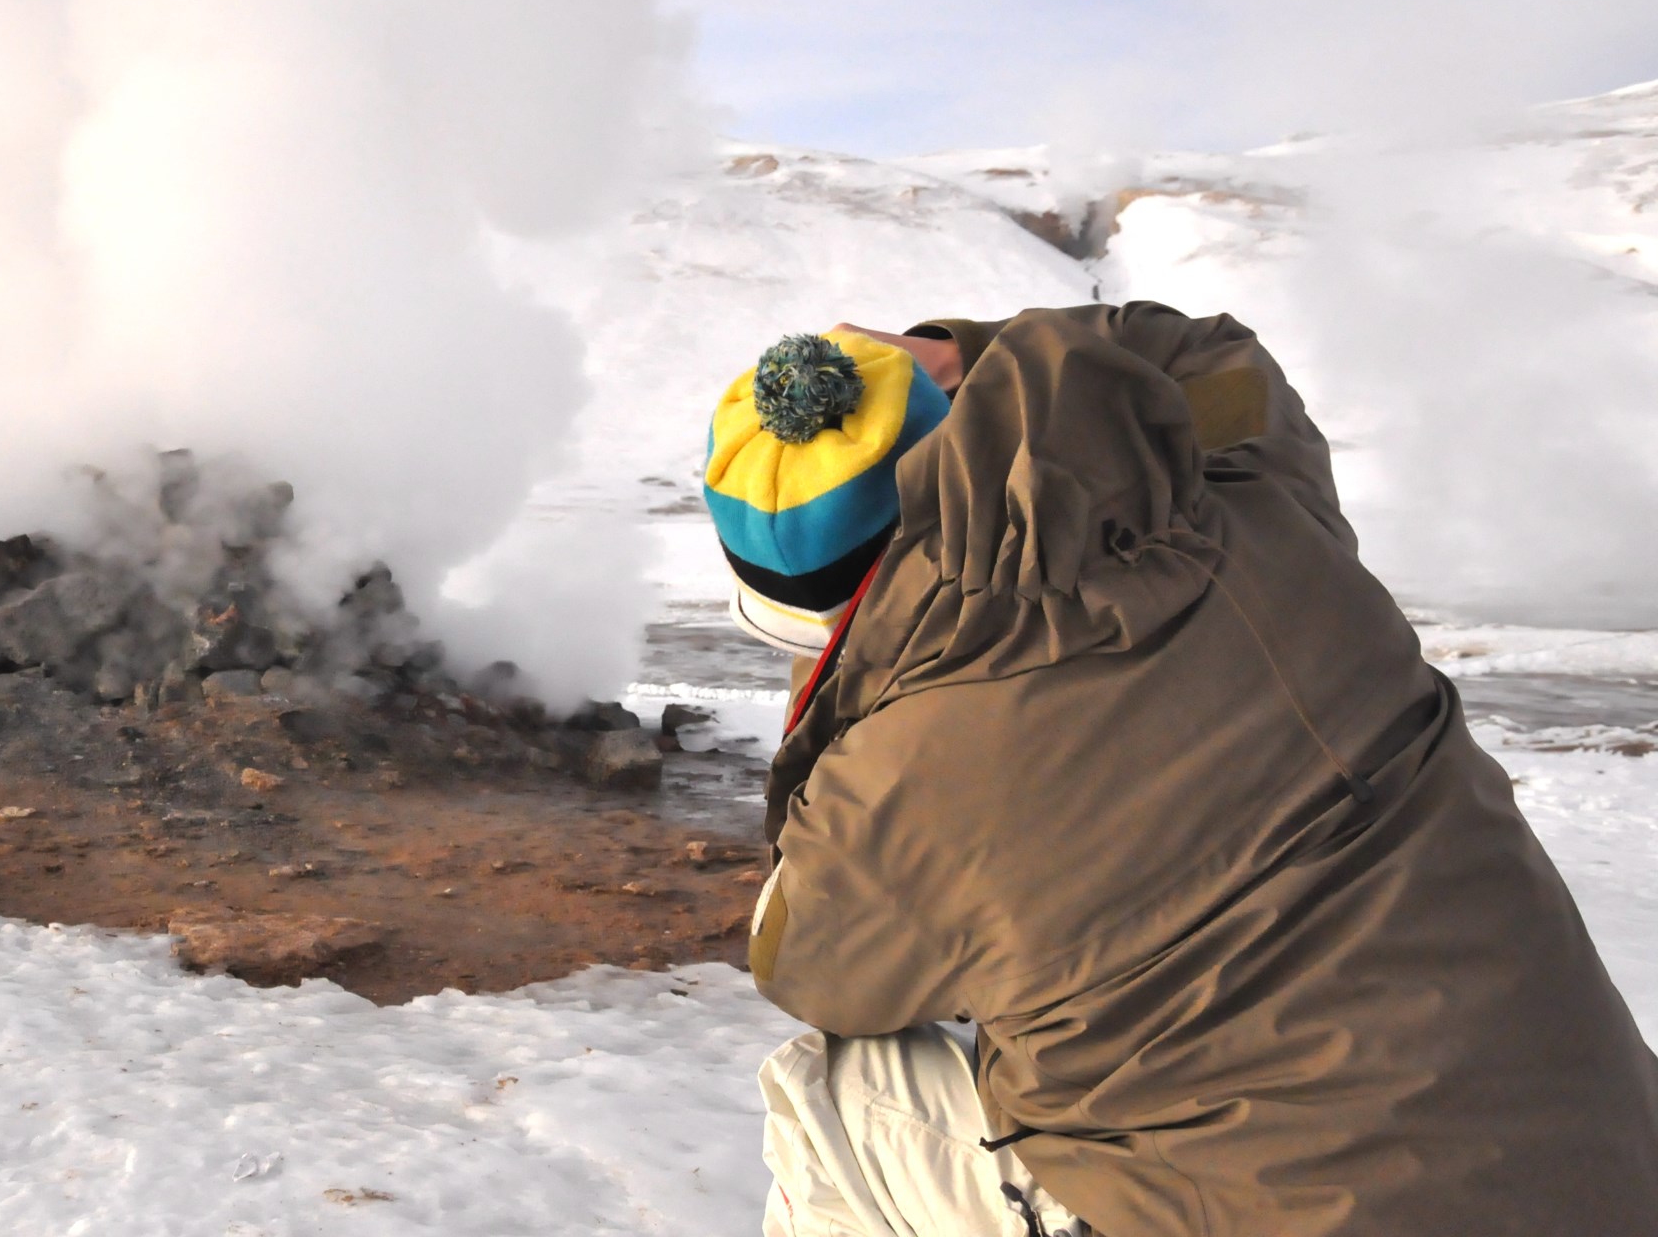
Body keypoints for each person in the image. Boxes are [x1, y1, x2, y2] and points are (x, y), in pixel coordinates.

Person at [703, 305, 1658, 1236]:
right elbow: (1213, 358)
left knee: (833, 1089)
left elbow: (808, 969)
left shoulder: (897, 783)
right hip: (1609, 1168)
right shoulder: (1249, 510)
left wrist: (844, 706)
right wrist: (971, 354)